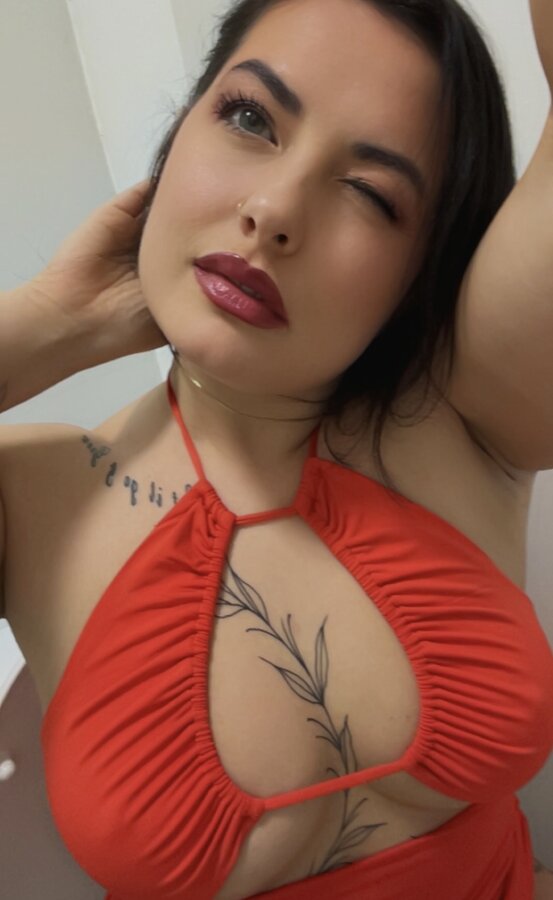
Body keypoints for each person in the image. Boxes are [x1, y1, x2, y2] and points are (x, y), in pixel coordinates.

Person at [1, 0, 552, 897]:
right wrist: (48, 323)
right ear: (179, 130)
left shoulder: (461, 413)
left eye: (371, 193)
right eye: (250, 118)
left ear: (420, 267)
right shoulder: (30, 494)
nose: (273, 211)